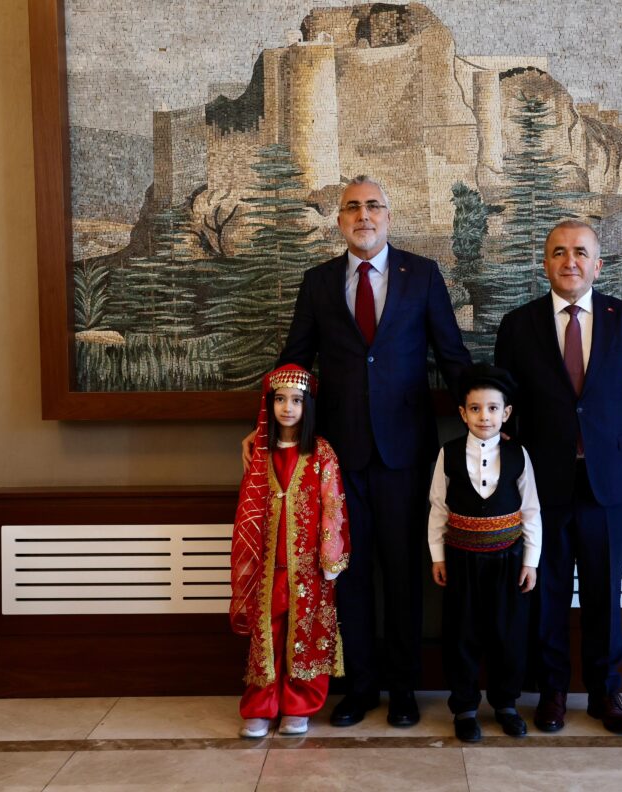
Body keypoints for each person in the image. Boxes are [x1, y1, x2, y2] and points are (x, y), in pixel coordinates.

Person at [243, 175, 471, 728]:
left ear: (388, 216)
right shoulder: (318, 282)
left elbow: (452, 355)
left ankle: (404, 689)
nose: (363, 215)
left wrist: (487, 424)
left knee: (404, 574)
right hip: (336, 460)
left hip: (405, 454)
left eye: (373, 206)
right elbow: (294, 360)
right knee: (347, 574)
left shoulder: (423, 275)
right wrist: (264, 425)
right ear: (339, 219)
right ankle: (361, 686)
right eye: (352, 207)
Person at [495, 219, 622, 734]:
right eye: (559, 252)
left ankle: (605, 693)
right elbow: (505, 412)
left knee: (603, 593)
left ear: (598, 265)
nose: (570, 261)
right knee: (545, 592)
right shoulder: (517, 325)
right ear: (545, 263)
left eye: (581, 252)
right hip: (541, 485)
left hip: (610, 483)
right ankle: (552, 692)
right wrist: (509, 479)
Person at [230, 364, 350, 738]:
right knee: (267, 632)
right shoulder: (259, 452)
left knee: (305, 631)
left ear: (307, 405)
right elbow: (248, 508)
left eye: (296, 400)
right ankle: (260, 704)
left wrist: (331, 557)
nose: (287, 408)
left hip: (308, 566)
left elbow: (333, 504)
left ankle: (299, 705)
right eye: (280, 400)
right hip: (267, 564)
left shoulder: (322, 452)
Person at [427, 363, 542, 742]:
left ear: (506, 413)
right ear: (463, 413)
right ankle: (464, 707)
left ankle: (506, 703)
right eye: (475, 408)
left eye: (493, 408)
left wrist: (530, 562)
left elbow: (531, 510)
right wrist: (438, 555)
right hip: (461, 560)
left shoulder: (519, 454)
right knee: (462, 633)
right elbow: (438, 508)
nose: (484, 416)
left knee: (508, 633)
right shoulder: (447, 454)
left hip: (508, 561)